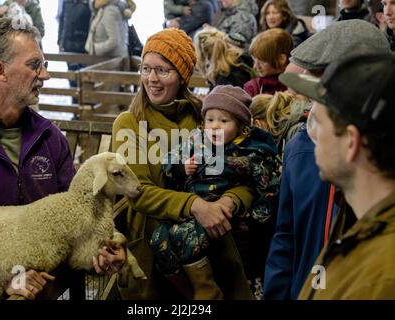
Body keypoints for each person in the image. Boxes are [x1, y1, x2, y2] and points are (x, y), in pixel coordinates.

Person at [0, 18, 125, 300]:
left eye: (45, 65)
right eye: (34, 65)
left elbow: (77, 214)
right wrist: (6, 277)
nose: (45, 75)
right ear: (0, 71)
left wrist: (98, 253)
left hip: (53, 287)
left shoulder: (50, 138)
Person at [112, 28, 254, 300]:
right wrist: (196, 205)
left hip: (211, 244)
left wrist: (229, 202)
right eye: (145, 68)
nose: (151, 79)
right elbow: (138, 191)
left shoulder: (206, 118)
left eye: (163, 70)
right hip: (153, 252)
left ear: (182, 75)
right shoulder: (130, 124)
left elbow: (244, 172)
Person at [263, 19, 391, 300]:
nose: (311, 132)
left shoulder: (381, 272)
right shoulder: (300, 149)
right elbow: (285, 238)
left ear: (352, 139)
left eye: (320, 119)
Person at [152, 85, 279, 299]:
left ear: (240, 125)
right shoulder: (196, 139)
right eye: (210, 120)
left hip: (224, 218)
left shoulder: (252, 150)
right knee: (159, 239)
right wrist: (183, 168)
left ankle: (206, 292)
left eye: (223, 121)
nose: (214, 127)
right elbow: (168, 162)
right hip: (193, 209)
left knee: (186, 239)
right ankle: (191, 292)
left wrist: (258, 217)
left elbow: (268, 185)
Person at [244, 28, 292, 97]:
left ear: (281, 59)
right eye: (254, 60)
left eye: (262, 62)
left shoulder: (252, 88)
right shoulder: (253, 87)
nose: (255, 66)